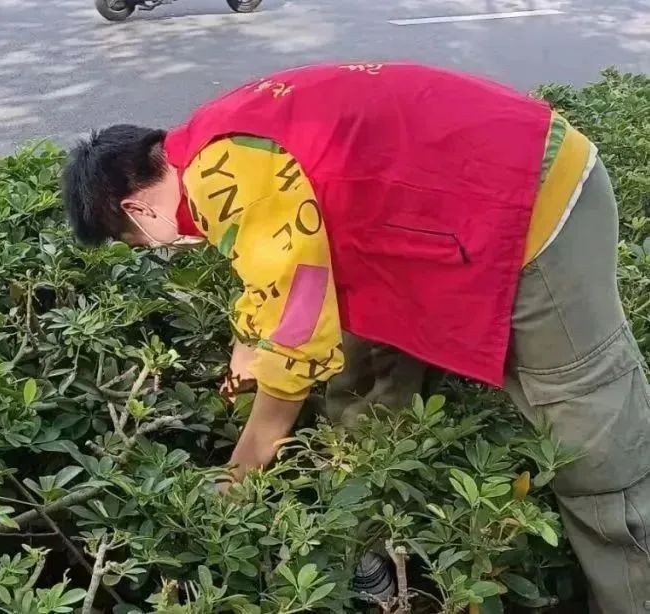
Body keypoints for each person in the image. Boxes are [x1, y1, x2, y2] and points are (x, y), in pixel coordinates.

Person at [61, 62, 650, 612]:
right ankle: (370, 548)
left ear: (136, 210)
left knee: (590, 434)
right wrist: (247, 342)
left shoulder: (224, 178)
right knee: (360, 377)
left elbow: (296, 332)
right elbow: (271, 272)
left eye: (133, 241)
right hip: (440, 211)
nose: (151, 246)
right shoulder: (211, 146)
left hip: (529, 196)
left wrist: (242, 469)